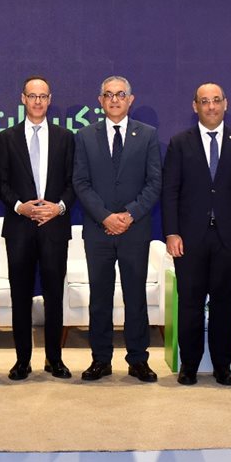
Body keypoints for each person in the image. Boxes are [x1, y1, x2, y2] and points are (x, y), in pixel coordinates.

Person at [162, 82, 231, 386]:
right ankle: (189, 365)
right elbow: (170, 192)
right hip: (189, 239)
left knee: (224, 303)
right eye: (204, 101)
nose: (211, 106)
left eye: (216, 100)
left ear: (225, 103)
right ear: (195, 106)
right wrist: (171, 232)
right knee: (190, 303)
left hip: (230, 239)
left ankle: (222, 365)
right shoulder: (180, 143)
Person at [72, 75, 162, 383]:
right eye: (108, 95)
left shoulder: (147, 135)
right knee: (100, 297)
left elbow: (154, 182)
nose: (114, 99)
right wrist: (105, 217)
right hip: (98, 231)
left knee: (135, 297)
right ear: (100, 101)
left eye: (120, 94)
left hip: (134, 230)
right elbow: (80, 182)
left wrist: (129, 215)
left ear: (130, 99)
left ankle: (138, 360)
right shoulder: (85, 136)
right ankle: (101, 359)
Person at [0, 76, 75, 380]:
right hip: (20, 228)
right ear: (23, 99)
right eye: (32, 96)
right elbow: (0, 182)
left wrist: (58, 208)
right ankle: (22, 360)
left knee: (54, 295)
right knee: (20, 296)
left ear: (50, 99)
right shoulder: (7, 138)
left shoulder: (65, 137)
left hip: (55, 227)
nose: (38, 101)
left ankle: (54, 359)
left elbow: (73, 182)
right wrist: (20, 206)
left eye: (43, 96)